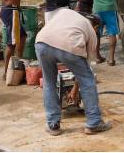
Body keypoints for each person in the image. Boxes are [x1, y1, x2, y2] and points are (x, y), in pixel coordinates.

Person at [35, 8, 111, 136]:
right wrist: (76, 88)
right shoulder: (91, 32)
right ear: (96, 27)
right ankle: (94, 123)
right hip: (68, 45)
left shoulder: (66, 13)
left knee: (49, 83)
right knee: (88, 81)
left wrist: (74, 89)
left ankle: (53, 125)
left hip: (41, 42)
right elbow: (85, 71)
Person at [0, 0, 31, 77]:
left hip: (9, 11)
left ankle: (16, 67)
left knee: (22, 37)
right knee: (12, 44)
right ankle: (8, 71)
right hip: (11, 11)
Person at [90, 0, 120, 66]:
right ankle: (111, 59)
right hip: (110, 8)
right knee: (112, 32)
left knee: (97, 33)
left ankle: (97, 57)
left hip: (96, 9)